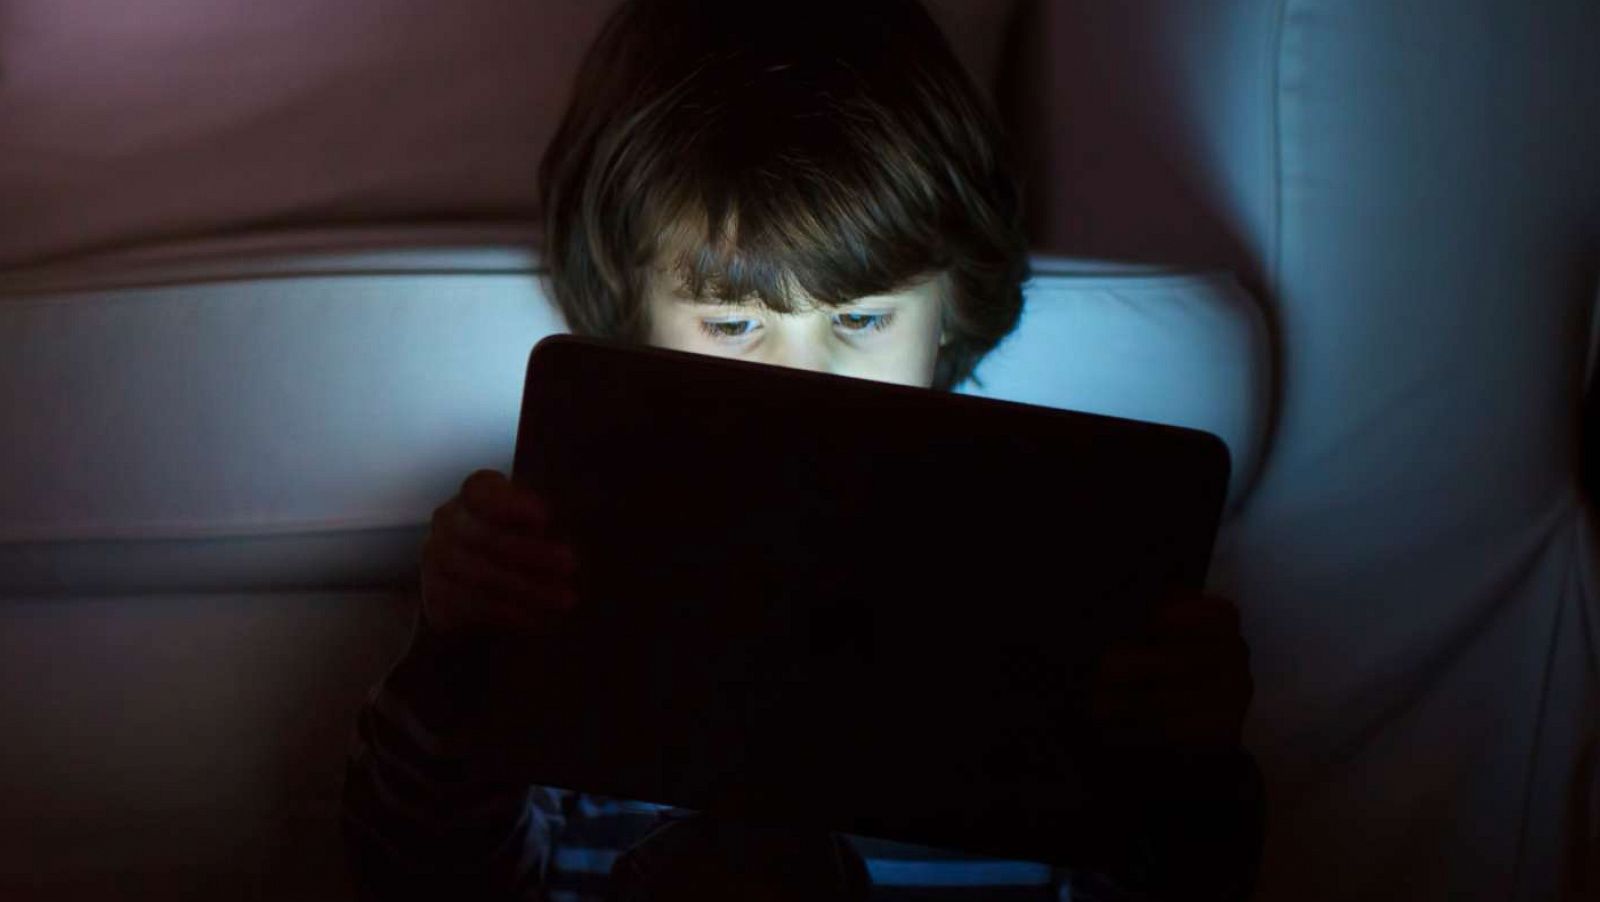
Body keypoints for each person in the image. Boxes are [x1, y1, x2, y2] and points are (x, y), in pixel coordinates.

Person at [340, 1, 1263, 899]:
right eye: (735, 322)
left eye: (861, 317)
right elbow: (425, 870)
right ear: (632, 316)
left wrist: (1190, 758)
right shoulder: (577, 576)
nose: (803, 374)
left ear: (948, 310)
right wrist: (459, 652)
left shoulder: (1048, 574)